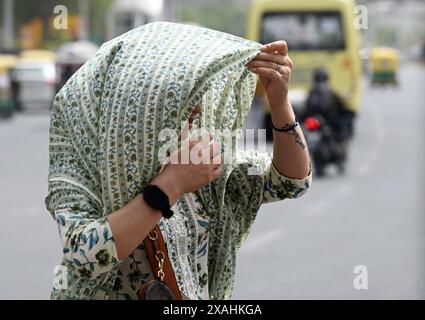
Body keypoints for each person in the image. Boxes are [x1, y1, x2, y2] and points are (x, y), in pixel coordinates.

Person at [45, 22, 311, 300]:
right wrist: (169, 185)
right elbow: (84, 256)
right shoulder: (89, 162)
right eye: (179, 105)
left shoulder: (200, 162)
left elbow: (290, 183)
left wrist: (279, 104)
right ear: (140, 108)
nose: (195, 112)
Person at [302, 68, 355, 142]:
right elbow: (341, 107)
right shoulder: (331, 92)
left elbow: (305, 109)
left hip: (320, 123)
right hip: (328, 123)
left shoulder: (311, 92)